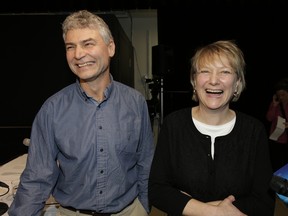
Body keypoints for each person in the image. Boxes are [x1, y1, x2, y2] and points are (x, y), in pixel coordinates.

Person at [9, 10, 155, 216]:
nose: (78, 54)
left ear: (110, 47)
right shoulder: (52, 109)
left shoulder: (135, 102)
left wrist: (145, 208)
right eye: (71, 47)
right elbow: (37, 177)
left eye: (88, 44)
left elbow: (145, 164)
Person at [148, 40, 275, 216]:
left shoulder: (254, 131)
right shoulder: (173, 125)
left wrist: (188, 205)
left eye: (225, 72)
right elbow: (157, 190)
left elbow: (265, 203)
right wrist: (213, 212)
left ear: (237, 82)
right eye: (205, 71)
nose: (214, 80)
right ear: (194, 81)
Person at [266, 78, 288, 172]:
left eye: (283, 94)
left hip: (287, 138)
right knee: (277, 163)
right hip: (277, 138)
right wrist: (274, 105)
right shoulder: (276, 104)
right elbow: (269, 118)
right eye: (279, 95)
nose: (281, 97)